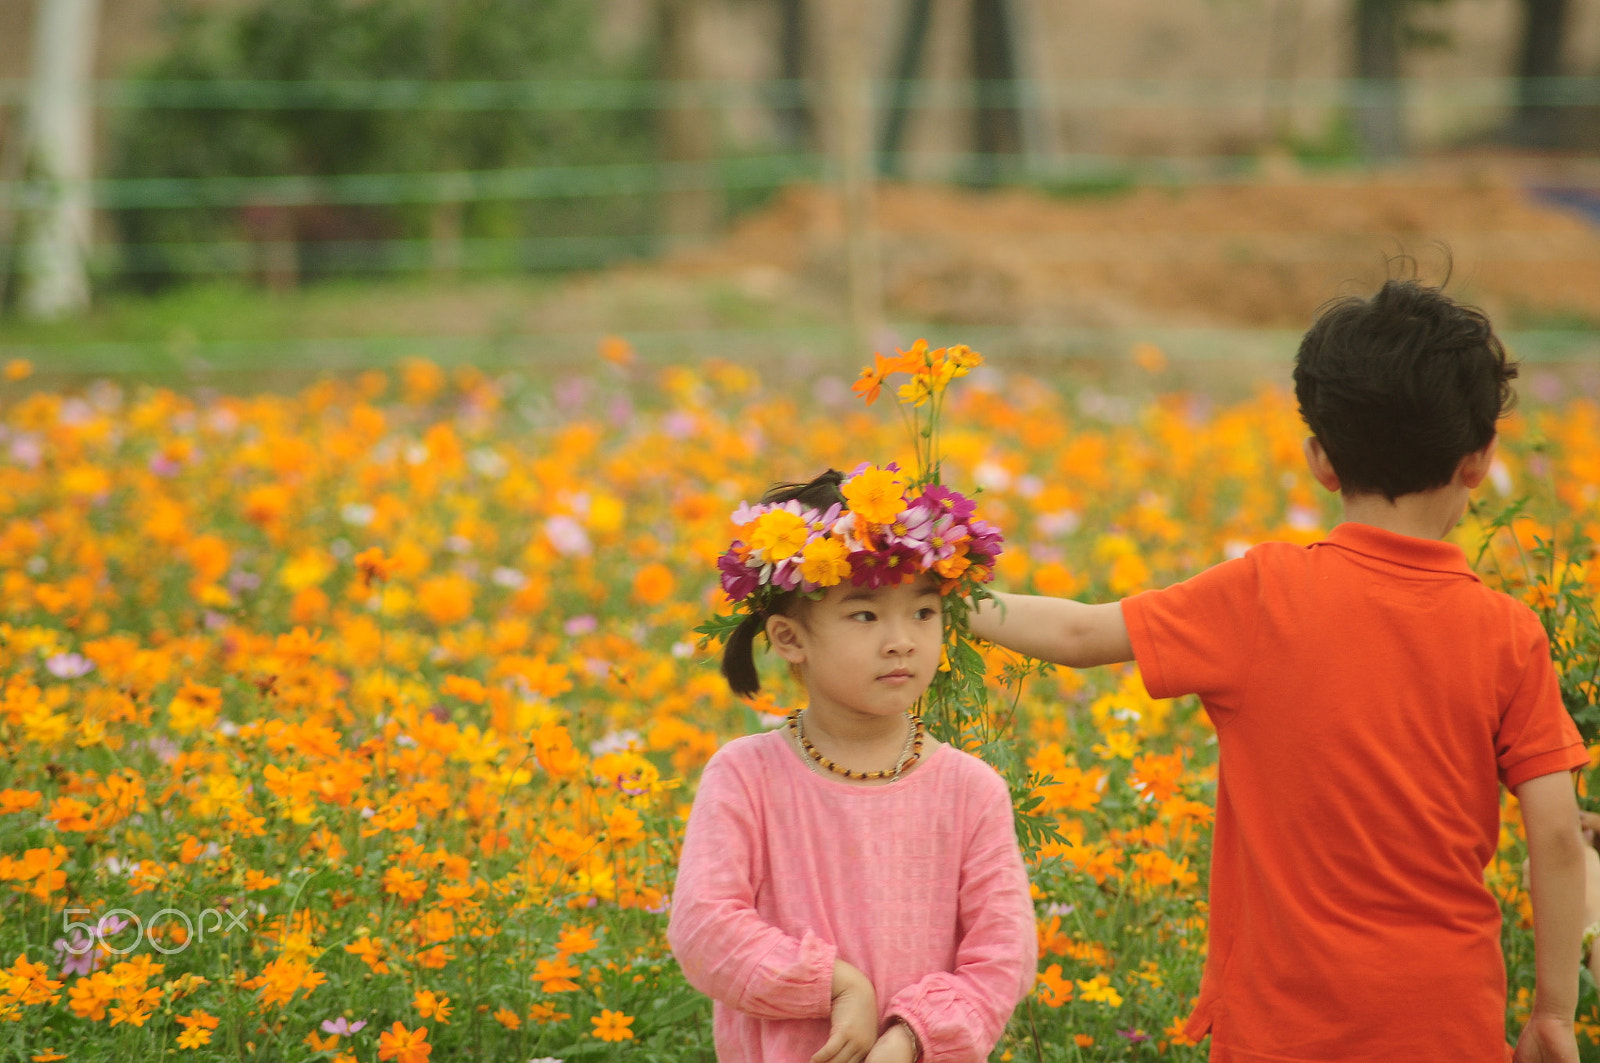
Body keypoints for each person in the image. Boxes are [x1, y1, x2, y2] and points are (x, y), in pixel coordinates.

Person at [968, 279, 1590, 1063]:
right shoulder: (1509, 633)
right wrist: (1555, 1012)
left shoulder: (1261, 593)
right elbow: (1559, 838)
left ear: (1320, 459)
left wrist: (938, 588)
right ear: (1481, 459)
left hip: (1281, 1028)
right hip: (1445, 1022)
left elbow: (1079, 631)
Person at [668, 466, 1036, 1063]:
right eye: (864, 615)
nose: (901, 641)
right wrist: (834, 984)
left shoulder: (972, 792)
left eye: (923, 613)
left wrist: (914, 1035)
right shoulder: (746, 776)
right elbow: (704, 929)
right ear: (789, 639)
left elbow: (1003, 958)